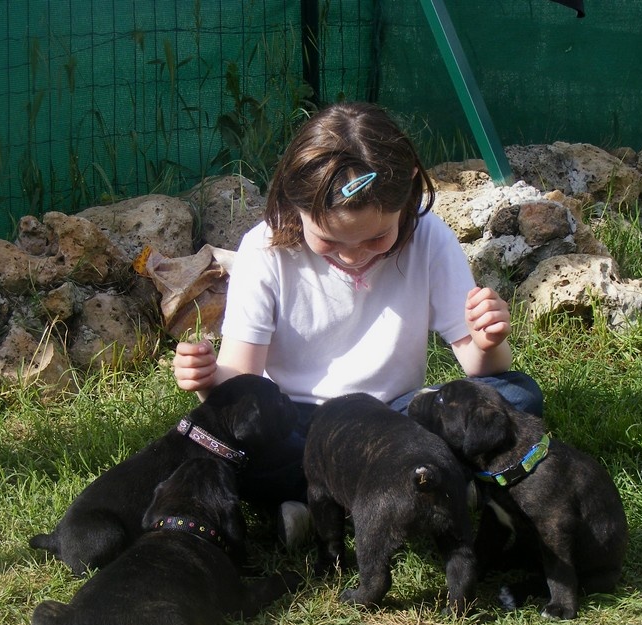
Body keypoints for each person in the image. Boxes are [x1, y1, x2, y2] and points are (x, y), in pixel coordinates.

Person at [173, 102, 543, 543]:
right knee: (209, 441)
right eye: (329, 240)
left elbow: (481, 367)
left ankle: (315, 504)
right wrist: (208, 380)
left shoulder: (429, 238)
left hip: (398, 418)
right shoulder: (265, 250)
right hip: (302, 424)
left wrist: (489, 339)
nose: (353, 255)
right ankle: (426, 485)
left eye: (375, 237)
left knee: (517, 396)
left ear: (407, 194)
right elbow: (242, 378)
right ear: (295, 205)